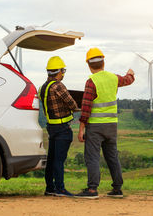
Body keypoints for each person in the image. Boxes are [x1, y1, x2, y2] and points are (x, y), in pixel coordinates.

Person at [75, 48, 135, 199]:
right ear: (104, 62)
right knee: (112, 156)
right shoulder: (113, 78)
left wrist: (81, 129)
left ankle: (92, 190)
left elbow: (86, 108)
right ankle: (117, 189)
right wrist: (131, 73)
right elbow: (128, 80)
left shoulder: (91, 82)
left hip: (95, 127)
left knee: (92, 157)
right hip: (112, 125)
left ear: (88, 65)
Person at [39, 56, 78, 197]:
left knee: (51, 159)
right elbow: (72, 104)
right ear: (59, 71)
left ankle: (50, 188)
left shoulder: (42, 87)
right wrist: (78, 107)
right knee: (59, 160)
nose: (63, 74)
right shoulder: (58, 86)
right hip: (62, 128)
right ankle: (60, 189)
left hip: (51, 127)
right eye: (63, 71)